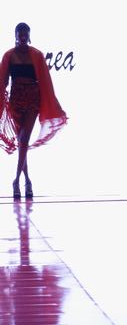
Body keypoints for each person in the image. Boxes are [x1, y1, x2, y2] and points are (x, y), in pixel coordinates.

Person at [0, 23, 67, 199]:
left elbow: (46, 82)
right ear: (15, 36)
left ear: (29, 36)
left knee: (24, 139)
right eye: (20, 34)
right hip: (16, 101)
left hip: (32, 100)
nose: (23, 37)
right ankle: (28, 181)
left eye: (25, 34)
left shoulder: (37, 55)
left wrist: (54, 104)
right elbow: (2, 82)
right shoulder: (8, 56)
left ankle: (16, 181)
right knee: (22, 143)